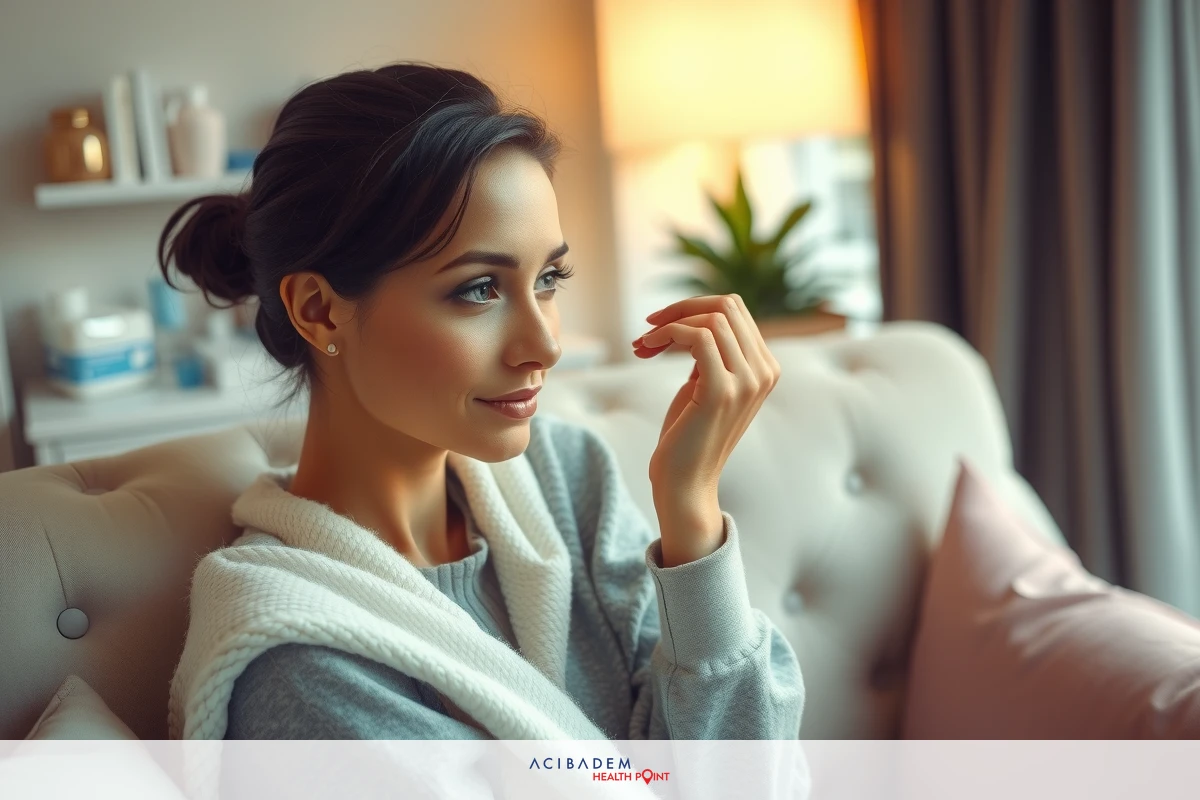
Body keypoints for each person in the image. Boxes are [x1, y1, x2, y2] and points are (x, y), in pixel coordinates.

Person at [159, 61, 804, 742]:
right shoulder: (303, 662)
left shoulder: (566, 478)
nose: (544, 346)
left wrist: (693, 509)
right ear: (320, 312)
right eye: (480, 290)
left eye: (549, 278)